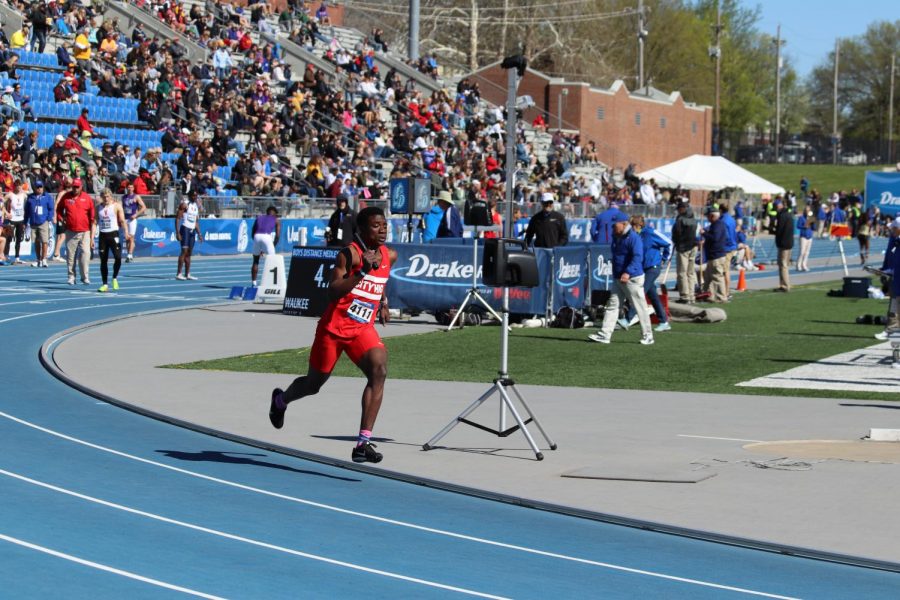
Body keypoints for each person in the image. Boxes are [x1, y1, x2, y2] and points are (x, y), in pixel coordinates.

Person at [268, 207, 397, 464]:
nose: (382, 229)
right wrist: (361, 273)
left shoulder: (389, 255)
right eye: (375, 225)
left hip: (361, 329)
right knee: (313, 385)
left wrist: (382, 300)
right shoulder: (348, 255)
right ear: (362, 229)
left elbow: (381, 279)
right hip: (333, 330)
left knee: (379, 370)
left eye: (384, 225)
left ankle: (363, 443)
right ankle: (280, 400)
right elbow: (333, 292)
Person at [588, 213, 653, 345]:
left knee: (640, 307)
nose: (612, 227)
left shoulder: (633, 238)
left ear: (623, 223)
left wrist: (628, 272)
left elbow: (637, 257)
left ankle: (648, 335)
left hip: (632, 278)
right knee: (612, 305)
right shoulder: (617, 236)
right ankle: (605, 334)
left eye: (614, 224)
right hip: (619, 277)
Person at [623, 216, 673, 333]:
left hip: (653, 267)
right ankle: (664, 321)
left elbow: (668, 243)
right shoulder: (635, 236)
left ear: (639, 226)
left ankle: (627, 319)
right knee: (653, 296)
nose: (632, 229)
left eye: (634, 226)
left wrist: (664, 259)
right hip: (643, 269)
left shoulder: (651, 233)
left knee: (640, 293)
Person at [57, 178, 95, 285]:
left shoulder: (87, 198)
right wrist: (61, 219)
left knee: (85, 253)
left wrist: (92, 222)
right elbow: (59, 209)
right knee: (70, 255)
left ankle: (85, 277)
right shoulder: (66, 197)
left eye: (77, 187)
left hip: (85, 231)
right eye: (74, 186)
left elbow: (92, 212)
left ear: (81, 187)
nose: (75, 189)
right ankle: (71, 276)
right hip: (70, 230)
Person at [875, 217, 900, 341]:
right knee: (893, 309)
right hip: (897, 282)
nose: (892, 230)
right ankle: (889, 330)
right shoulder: (896, 242)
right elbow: (895, 263)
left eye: (894, 228)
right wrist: (885, 271)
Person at [95, 189, 125, 293]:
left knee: (118, 257)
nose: (106, 199)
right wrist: (91, 237)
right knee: (103, 261)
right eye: (104, 197)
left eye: (108, 196)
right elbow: (95, 222)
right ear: (101, 197)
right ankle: (105, 284)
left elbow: (122, 220)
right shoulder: (98, 208)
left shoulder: (116, 206)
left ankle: (114, 277)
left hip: (113, 234)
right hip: (103, 235)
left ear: (111, 196)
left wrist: (126, 233)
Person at [671, 199, 698, 303]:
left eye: (678, 209)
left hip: (683, 247)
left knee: (682, 272)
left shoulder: (680, 219)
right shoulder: (693, 219)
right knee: (690, 272)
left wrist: (676, 242)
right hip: (693, 246)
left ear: (682, 209)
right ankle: (692, 295)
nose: (677, 211)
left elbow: (677, 233)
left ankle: (685, 296)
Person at [24, 180, 54, 268]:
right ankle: (38, 259)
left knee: (45, 241)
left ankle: (44, 259)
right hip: (33, 222)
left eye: (40, 187)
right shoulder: (30, 197)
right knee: (36, 241)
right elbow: (27, 211)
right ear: (34, 188)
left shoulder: (47, 197)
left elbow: (51, 209)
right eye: (37, 187)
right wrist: (25, 222)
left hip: (43, 222)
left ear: (43, 187)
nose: (39, 189)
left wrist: (48, 219)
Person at [702, 206, 728, 303]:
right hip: (715, 255)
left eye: (708, 216)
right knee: (708, 277)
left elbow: (715, 238)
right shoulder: (718, 224)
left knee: (717, 276)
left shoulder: (717, 225)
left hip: (716, 255)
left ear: (712, 216)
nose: (707, 218)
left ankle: (721, 297)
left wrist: (704, 233)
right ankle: (709, 295)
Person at [175, 191, 203, 280]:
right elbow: (178, 218)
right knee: (184, 251)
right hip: (185, 229)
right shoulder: (184, 205)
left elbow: (196, 222)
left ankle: (187, 274)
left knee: (189, 253)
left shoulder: (196, 206)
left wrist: (199, 234)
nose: (195, 197)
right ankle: (179, 273)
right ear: (190, 196)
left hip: (192, 231)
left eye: (196, 195)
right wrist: (177, 232)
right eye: (193, 195)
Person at [251, 206, 281, 286]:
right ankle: (272, 283)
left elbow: (252, 232)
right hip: (266, 237)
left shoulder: (259, 217)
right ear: (274, 213)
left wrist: (259, 246)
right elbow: (277, 237)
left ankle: (254, 283)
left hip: (256, 236)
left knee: (255, 261)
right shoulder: (276, 220)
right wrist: (272, 247)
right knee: (273, 260)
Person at [122, 181, 146, 262]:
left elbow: (143, 207)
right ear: (126, 188)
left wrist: (136, 215)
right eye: (128, 187)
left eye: (131, 187)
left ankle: (129, 254)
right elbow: (122, 208)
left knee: (131, 238)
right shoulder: (124, 197)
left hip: (132, 219)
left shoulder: (136, 197)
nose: (130, 189)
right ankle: (130, 254)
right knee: (127, 238)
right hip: (125, 219)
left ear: (133, 188)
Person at [4, 180, 28, 264]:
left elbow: (27, 205)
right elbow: (1, 202)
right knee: (8, 239)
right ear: (15, 186)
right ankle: (6, 255)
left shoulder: (24, 195)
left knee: (18, 239)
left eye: (20, 186)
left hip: (20, 220)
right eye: (17, 186)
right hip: (11, 220)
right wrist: (6, 213)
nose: (19, 188)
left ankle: (17, 257)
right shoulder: (10, 194)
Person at [774, 199, 794, 292]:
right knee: (783, 264)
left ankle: (785, 285)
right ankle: (783, 284)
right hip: (789, 242)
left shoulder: (782, 216)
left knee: (783, 264)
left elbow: (780, 230)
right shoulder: (789, 215)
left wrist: (775, 233)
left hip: (784, 243)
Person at [719, 202, 738, 295]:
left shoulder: (723, 220)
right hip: (732, 245)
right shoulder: (731, 219)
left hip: (727, 247)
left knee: (725, 270)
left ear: (720, 210)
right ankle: (725, 290)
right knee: (726, 269)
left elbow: (725, 235)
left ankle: (726, 291)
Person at [796, 206, 814, 272]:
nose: (807, 212)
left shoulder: (811, 218)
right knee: (802, 251)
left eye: (808, 210)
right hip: (803, 236)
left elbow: (813, 227)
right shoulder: (801, 218)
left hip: (810, 236)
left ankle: (804, 265)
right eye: (806, 210)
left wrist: (813, 224)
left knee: (807, 252)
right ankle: (798, 265)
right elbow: (798, 226)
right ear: (804, 211)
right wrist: (804, 226)